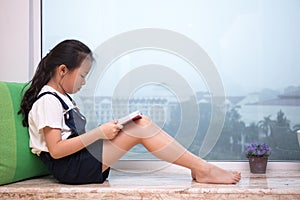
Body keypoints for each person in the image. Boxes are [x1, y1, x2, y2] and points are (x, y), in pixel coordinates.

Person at [19, 39, 241, 185]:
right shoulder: (47, 101)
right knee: (140, 127)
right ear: (62, 70)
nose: (84, 82)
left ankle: (200, 168)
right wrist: (99, 133)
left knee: (140, 122)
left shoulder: (61, 98)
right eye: (83, 75)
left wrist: (107, 131)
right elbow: (56, 150)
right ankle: (202, 169)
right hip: (71, 168)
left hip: (78, 162)